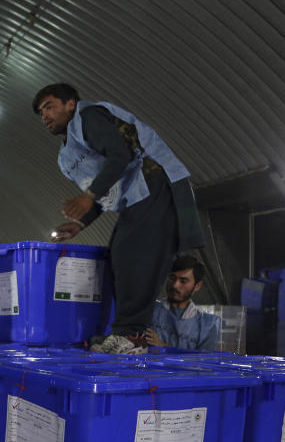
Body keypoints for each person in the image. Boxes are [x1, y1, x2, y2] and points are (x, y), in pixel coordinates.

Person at [33, 83, 204, 353]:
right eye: (41, 112)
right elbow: (107, 189)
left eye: (49, 106)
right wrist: (80, 222)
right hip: (137, 194)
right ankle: (126, 332)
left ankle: (132, 337)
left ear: (70, 104)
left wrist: (88, 195)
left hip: (155, 180)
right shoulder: (68, 153)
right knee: (120, 256)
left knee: (133, 257)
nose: (45, 115)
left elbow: (121, 156)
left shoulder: (88, 117)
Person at [145, 255, 220, 351]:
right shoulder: (150, 310)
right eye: (172, 278)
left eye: (183, 281)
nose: (175, 285)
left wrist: (163, 347)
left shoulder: (207, 325)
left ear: (197, 286)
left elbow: (203, 362)